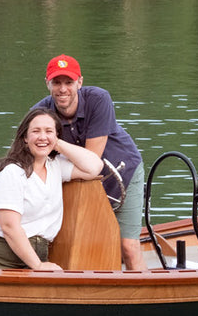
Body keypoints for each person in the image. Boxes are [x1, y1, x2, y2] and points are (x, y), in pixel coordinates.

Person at [34, 54, 147, 271]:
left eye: (69, 82)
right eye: (56, 82)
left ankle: (148, 298)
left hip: (123, 174)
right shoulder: (39, 115)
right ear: (47, 84)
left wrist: (54, 143)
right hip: (78, 183)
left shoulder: (99, 99)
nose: (63, 89)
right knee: (71, 244)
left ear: (80, 82)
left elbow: (91, 161)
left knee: (128, 247)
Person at [0, 107, 103, 271]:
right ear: (25, 137)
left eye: (49, 131)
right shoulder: (11, 171)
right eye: (36, 131)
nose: (42, 136)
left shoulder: (55, 166)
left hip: (31, 257)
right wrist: (38, 265)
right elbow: (9, 227)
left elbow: (94, 167)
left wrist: (57, 143)